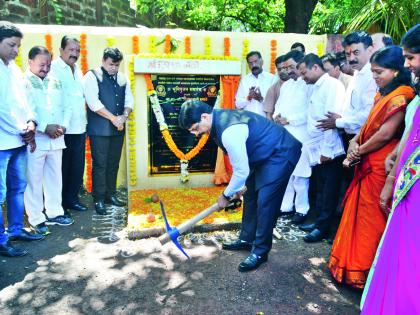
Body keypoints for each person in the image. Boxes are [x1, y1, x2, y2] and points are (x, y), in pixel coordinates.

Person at [328, 45, 415, 289]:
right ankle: (348, 266)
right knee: (357, 215)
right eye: (374, 72)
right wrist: (355, 141)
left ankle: (366, 274)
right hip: (367, 156)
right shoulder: (381, 94)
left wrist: (359, 149)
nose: (375, 77)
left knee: (373, 218)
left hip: (383, 164)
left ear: (397, 71)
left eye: (380, 72)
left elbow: (386, 133)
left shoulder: (402, 96)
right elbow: (368, 123)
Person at [178, 101, 301, 272]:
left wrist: (225, 196)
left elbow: (241, 172)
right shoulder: (216, 122)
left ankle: (260, 251)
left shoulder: (229, 131)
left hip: (279, 153)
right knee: (250, 195)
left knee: (266, 202)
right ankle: (247, 239)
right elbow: (242, 168)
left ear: (204, 117)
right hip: (259, 156)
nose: (195, 133)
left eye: (195, 128)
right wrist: (239, 188)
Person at [360, 24, 420, 314]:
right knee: (403, 253)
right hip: (409, 183)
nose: (408, 64)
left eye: (411, 57)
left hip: (411, 185)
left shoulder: (402, 95)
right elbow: (411, 134)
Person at [0, 21, 44, 257]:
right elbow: (2, 109)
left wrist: (31, 122)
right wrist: (22, 128)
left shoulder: (14, 70)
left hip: (19, 141)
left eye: (18, 45)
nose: (16, 50)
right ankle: (1, 239)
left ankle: (16, 229)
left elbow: (25, 102)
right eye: (11, 45)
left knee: (18, 188)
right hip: (3, 144)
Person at [24, 46, 74, 236]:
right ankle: (36, 218)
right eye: (41, 64)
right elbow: (27, 109)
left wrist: (64, 126)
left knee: (55, 178)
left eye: (47, 64)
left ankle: (54, 212)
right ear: (30, 62)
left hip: (57, 139)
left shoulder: (56, 81)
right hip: (36, 140)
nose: (45, 68)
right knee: (34, 180)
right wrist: (45, 127)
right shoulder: (24, 82)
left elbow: (67, 106)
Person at [298, 54, 346, 242]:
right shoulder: (316, 87)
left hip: (329, 150)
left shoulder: (332, 86)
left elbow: (329, 122)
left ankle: (324, 228)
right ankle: (318, 222)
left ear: (316, 68)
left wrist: (327, 150)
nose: (303, 77)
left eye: (304, 72)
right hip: (316, 148)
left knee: (329, 190)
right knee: (319, 187)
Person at [83, 48, 133, 215]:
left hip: (118, 129)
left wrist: (124, 117)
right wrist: (114, 118)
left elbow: (129, 100)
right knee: (100, 164)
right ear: (103, 60)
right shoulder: (92, 76)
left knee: (113, 164)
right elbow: (93, 103)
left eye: (117, 65)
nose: (114, 68)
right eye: (111, 64)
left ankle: (110, 194)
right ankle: (98, 198)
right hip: (99, 130)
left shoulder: (123, 78)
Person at [317, 31, 377, 154]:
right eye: (348, 54)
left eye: (356, 53)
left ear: (370, 50)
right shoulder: (357, 73)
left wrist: (338, 122)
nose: (351, 59)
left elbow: (368, 114)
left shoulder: (373, 76)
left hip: (363, 138)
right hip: (350, 135)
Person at [272, 50, 312, 224]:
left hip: (302, 136)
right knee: (286, 174)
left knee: (300, 177)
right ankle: (285, 207)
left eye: (291, 67)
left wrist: (290, 120)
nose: (288, 71)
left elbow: (310, 112)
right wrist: (277, 117)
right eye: (286, 67)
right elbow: (278, 106)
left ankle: (302, 210)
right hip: (284, 136)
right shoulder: (286, 85)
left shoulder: (308, 84)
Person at [50, 36, 88, 213]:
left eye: (77, 51)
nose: (74, 54)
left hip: (80, 126)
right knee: (61, 168)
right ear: (61, 50)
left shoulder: (78, 69)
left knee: (77, 166)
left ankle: (72, 199)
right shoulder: (54, 69)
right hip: (62, 128)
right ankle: (59, 204)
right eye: (71, 50)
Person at [235, 51, 274, 116]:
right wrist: (248, 98)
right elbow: (238, 104)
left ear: (262, 61)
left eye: (256, 61)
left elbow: (276, 104)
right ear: (248, 65)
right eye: (250, 63)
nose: (254, 65)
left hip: (266, 121)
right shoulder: (244, 80)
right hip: (249, 121)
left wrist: (261, 99)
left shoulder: (272, 79)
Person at [263, 55, 289, 120]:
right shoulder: (273, 89)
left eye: (284, 68)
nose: (282, 71)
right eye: (279, 69)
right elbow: (269, 115)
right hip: (280, 126)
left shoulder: (298, 84)